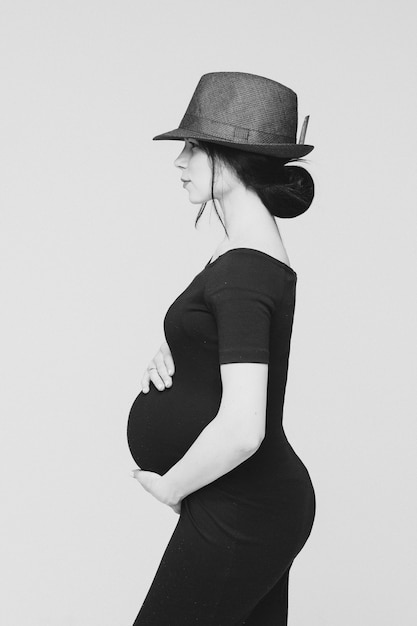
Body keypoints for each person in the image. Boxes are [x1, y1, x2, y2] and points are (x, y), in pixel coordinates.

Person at [127, 71, 316, 625]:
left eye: (192, 146)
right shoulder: (238, 254)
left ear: (229, 157)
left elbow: (242, 428)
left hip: (246, 508)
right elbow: (222, 348)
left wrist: (170, 488)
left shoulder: (246, 268)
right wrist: (176, 355)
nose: (179, 162)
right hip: (244, 504)